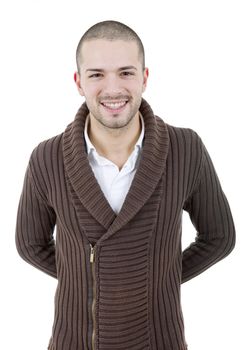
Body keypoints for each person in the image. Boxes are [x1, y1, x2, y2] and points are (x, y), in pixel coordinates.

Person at [15, 20, 236, 350]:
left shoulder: (186, 148)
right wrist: (87, 279)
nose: (113, 88)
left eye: (126, 72)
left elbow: (220, 238)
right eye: (97, 74)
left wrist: (155, 281)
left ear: (145, 78)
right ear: (79, 82)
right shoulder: (46, 158)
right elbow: (30, 244)